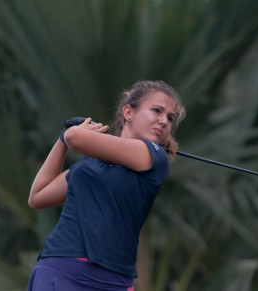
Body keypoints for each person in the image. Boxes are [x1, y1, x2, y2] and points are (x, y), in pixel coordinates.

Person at [27, 80, 186, 291]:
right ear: (128, 112)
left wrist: (73, 133)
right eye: (157, 111)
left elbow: (76, 137)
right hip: (60, 267)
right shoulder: (88, 164)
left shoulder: (154, 157)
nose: (164, 121)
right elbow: (37, 197)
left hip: (111, 280)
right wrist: (61, 142)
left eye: (169, 117)